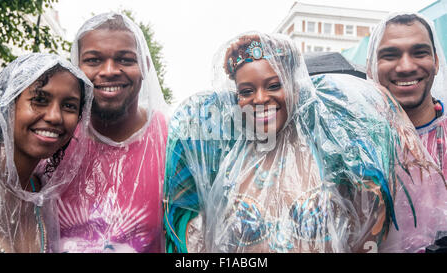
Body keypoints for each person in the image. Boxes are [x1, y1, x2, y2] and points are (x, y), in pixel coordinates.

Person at [163, 32, 437, 253]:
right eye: (247, 91)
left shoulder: (331, 150)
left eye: (273, 85)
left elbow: (370, 222)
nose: (260, 99)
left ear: (294, 85)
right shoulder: (224, 160)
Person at [57, 13, 168, 253]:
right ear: (76, 67)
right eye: (94, 60)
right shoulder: (54, 134)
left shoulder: (171, 140)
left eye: (126, 60)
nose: (109, 71)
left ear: (145, 67)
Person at [367, 12, 447, 252]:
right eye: (390, 55)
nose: (406, 67)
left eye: (419, 52)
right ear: (372, 64)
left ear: (436, 60)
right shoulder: (354, 147)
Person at [0, 53, 93, 253]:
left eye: (69, 106)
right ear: (8, 104)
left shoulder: (39, 192)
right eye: (40, 99)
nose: (55, 117)